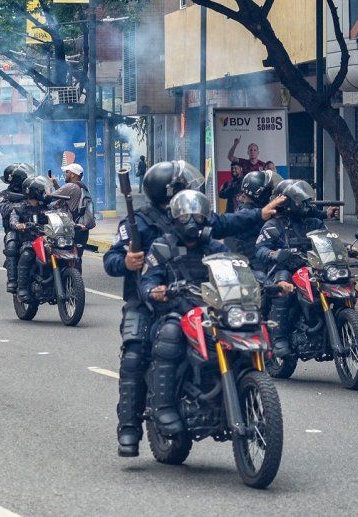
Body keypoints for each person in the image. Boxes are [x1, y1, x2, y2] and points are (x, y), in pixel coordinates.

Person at [103, 160, 282, 457]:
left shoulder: (198, 219)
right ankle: (131, 427)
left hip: (198, 299)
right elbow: (112, 259)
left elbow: (227, 227)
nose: (191, 188)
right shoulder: (142, 223)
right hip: (148, 300)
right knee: (136, 354)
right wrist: (126, 262)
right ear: (168, 192)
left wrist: (259, 218)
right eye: (183, 184)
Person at [139, 190, 230, 436]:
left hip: (213, 312)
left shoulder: (215, 247)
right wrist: (155, 290)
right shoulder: (162, 247)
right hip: (176, 312)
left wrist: (263, 281)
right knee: (170, 333)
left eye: (198, 216)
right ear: (174, 218)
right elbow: (147, 280)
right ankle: (164, 406)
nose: (192, 222)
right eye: (186, 216)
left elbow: (239, 270)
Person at [254, 180, 358, 358]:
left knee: (342, 282)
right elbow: (260, 249)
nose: (303, 204)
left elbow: (329, 239)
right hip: (286, 268)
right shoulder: (274, 225)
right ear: (286, 202)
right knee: (283, 290)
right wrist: (274, 254)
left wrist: (349, 248)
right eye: (298, 200)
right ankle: (279, 339)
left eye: (303, 200)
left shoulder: (314, 223)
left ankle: (338, 325)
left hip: (314, 266)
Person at [11, 175, 55, 302]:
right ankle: (22, 288)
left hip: (48, 240)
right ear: (36, 191)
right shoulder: (19, 207)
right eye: (44, 190)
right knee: (27, 255)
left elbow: (60, 216)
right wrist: (20, 225)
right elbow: (13, 221)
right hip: (29, 241)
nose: (46, 193)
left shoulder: (47, 207)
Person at [0, 163, 33, 292]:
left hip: (34, 228)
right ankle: (12, 280)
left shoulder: (31, 191)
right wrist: (24, 202)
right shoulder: (4, 195)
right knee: (11, 244)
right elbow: (5, 210)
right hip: (14, 229)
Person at [51, 163, 95, 265]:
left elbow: (51, 197)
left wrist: (48, 189)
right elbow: (65, 196)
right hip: (83, 229)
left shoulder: (70, 186)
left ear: (73, 174)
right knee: (77, 259)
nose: (65, 174)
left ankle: (70, 279)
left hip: (74, 228)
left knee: (66, 259)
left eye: (67, 172)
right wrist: (55, 184)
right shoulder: (82, 186)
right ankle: (76, 279)